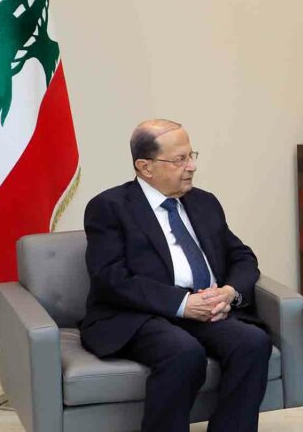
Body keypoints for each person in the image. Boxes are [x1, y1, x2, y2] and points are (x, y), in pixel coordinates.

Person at [80, 119, 271, 432]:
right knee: (183, 352)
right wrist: (183, 304)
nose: (192, 166)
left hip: (204, 308)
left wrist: (229, 292)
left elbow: (242, 256)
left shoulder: (204, 202)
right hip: (138, 315)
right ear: (145, 167)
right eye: (179, 159)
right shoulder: (109, 207)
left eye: (191, 155)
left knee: (252, 342)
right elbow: (110, 278)